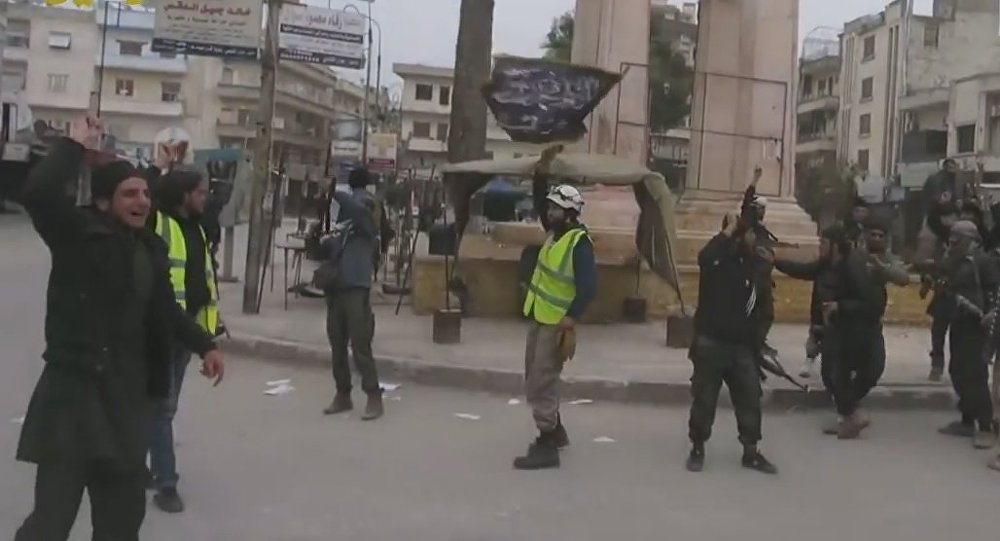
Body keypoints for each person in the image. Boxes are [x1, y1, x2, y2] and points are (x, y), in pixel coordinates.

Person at [14, 117, 224, 541]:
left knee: (121, 524)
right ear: (103, 202)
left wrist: (205, 346)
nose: (142, 202)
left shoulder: (150, 248)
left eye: (145, 194)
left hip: (126, 408)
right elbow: (38, 194)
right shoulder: (75, 236)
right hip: (72, 404)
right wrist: (73, 146)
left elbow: (166, 310)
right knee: (49, 525)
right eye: (130, 194)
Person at [146, 165, 221, 513]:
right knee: (162, 408)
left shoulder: (197, 228)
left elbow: (201, 279)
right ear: (184, 194)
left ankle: (139, 464)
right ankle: (166, 482)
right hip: (160, 330)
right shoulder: (157, 224)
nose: (205, 197)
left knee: (161, 406)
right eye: (200, 192)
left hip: (187, 330)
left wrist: (210, 330)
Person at [513, 182, 596, 470]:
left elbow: (588, 287)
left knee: (542, 381)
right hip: (539, 316)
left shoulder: (579, 244)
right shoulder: (555, 235)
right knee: (533, 376)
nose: (549, 213)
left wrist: (571, 317)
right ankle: (556, 429)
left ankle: (547, 443)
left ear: (571, 214)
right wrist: (541, 173)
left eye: (555, 209)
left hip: (556, 323)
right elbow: (540, 207)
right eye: (549, 208)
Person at [686, 212, 777, 475]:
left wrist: (756, 341)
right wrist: (729, 230)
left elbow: (765, 309)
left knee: (750, 399)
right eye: (744, 232)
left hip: (742, 348)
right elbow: (704, 257)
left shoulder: (756, 266)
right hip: (711, 343)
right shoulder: (717, 261)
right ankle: (698, 448)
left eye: (750, 232)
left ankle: (751, 452)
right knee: (704, 400)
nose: (750, 237)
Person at [922, 221, 999, 449]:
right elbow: (944, 282)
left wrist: (993, 313)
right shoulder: (952, 260)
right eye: (952, 237)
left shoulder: (983, 261)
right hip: (958, 321)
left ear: (971, 240)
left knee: (974, 374)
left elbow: (995, 289)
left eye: (958, 238)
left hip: (978, 325)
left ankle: (985, 427)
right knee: (957, 370)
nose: (953, 241)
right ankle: (967, 419)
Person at [321, 167, 384, 420]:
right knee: (337, 342)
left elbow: (362, 216)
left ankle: (373, 395)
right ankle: (343, 393)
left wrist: (334, 193)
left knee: (360, 344)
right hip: (338, 284)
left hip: (357, 284)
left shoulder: (368, 204)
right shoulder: (345, 212)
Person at [773, 225, 852, 395]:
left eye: (823, 243)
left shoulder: (851, 269)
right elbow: (801, 269)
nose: (820, 247)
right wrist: (775, 261)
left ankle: (848, 407)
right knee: (829, 374)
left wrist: (841, 307)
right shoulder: (823, 266)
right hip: (823, 324)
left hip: (843, 328)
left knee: (838, 372)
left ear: (835, 246)